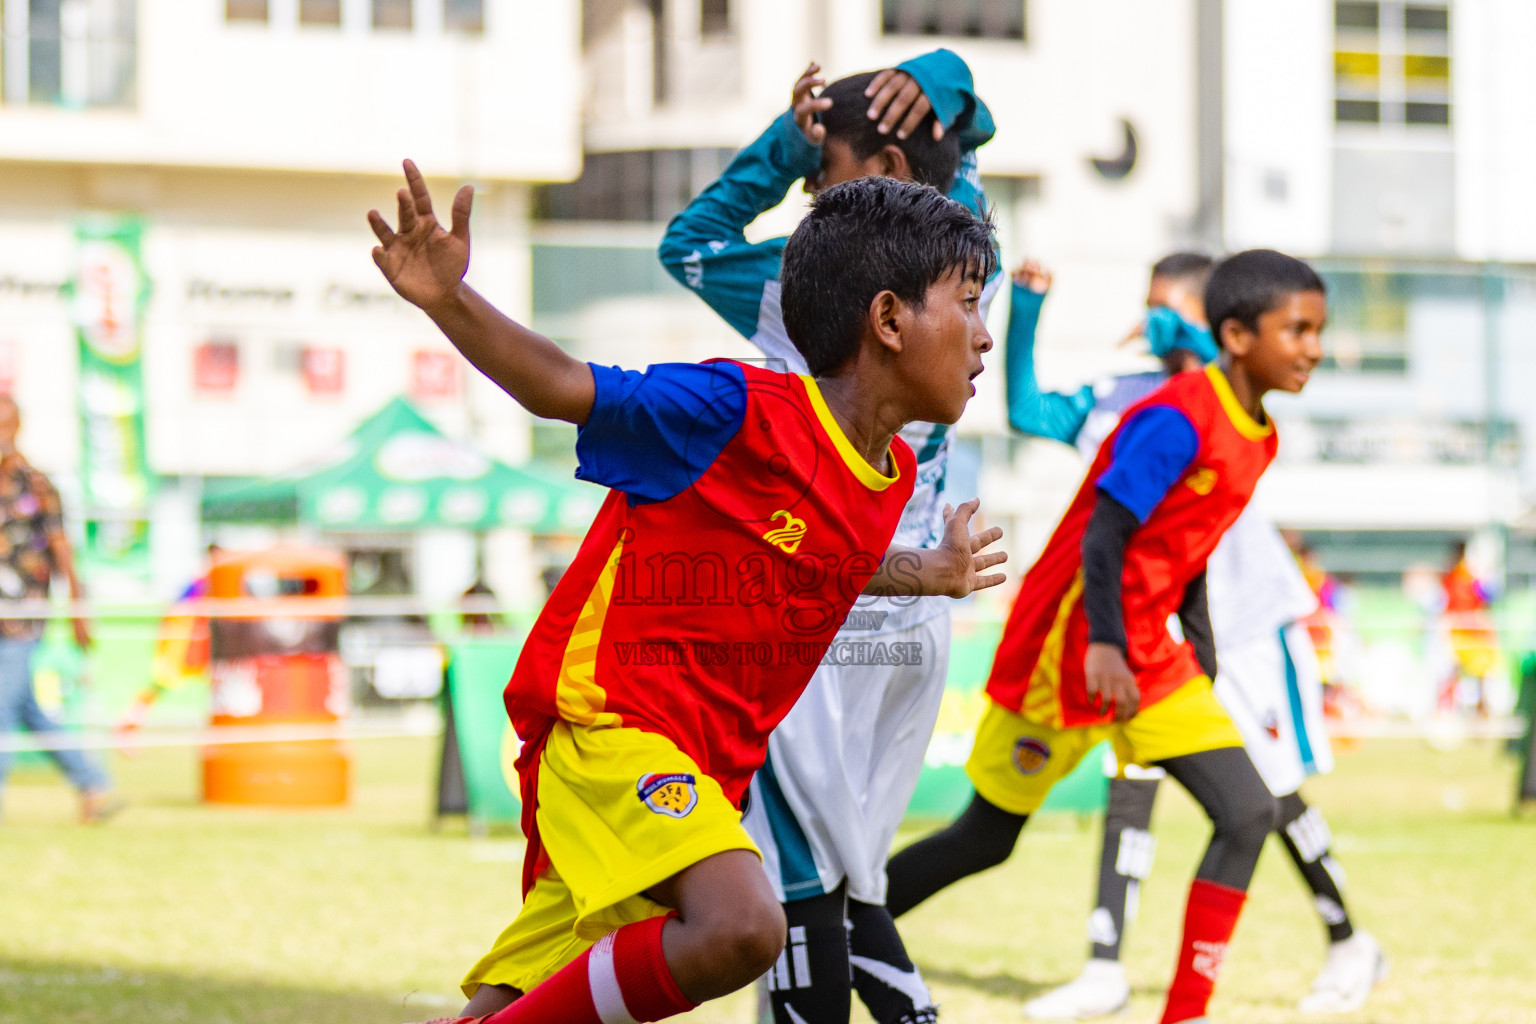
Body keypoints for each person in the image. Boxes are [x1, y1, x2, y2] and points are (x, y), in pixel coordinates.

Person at [368, 165, 1005, 1024]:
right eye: (967, 303)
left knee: (506, 1003)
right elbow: (562, 385)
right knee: (744, 927)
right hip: (613, 731)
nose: (983, 337)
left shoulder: (887, 475)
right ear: (889, 319)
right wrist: (449, 300)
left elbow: (815, 557)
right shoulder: (734, 409)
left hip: (702, 771)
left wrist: (923, 571)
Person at [884, 249, 1327, 1024]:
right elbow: (1105, 536)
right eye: (1297, 330)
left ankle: (1183, 1013)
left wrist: (1201, 646)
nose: (1313, 348)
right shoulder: (1174, 416)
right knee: (987, 839)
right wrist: (1104, 647)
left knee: (1249, 813)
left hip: (1146, 654)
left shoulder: (1259, 436)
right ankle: (833, 931)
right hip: (1072, 644)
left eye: (1318, 331)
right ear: (1236, 333)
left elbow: (1187, 545)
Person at [659, 49, 997, 1024]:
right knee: (855, 882)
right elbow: (964, 146)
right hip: (921, 609)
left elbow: (686, 244)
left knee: (805, 890)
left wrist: (775, 148)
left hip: (827, 606)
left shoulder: (798, 284)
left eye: (823, 171)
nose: (812, 193)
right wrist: (946, 82)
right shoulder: (975, 264)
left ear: (886, 167)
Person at [999, 256, 1386, 1018]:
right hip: (1143, 628)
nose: (1163, 327)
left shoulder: (1227, 388)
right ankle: (1105, 961)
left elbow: (1220, 354)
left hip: (1244, 620)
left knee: (1268, 790)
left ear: (1219, 327)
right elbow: (1024, 412)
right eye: (1154, 310)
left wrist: (1182, 331)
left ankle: (1348, 940)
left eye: (1177, 313)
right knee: (1131, 784)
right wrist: (1028, 308)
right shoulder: (1116, 399)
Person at [0, 394, 120, 823]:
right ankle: (93, 784)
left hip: (22, 618)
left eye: (6, 425)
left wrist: (79, 610)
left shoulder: (38, 486)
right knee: (26, 709)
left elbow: (63, 551)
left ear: (18, 427)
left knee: (1, 705)